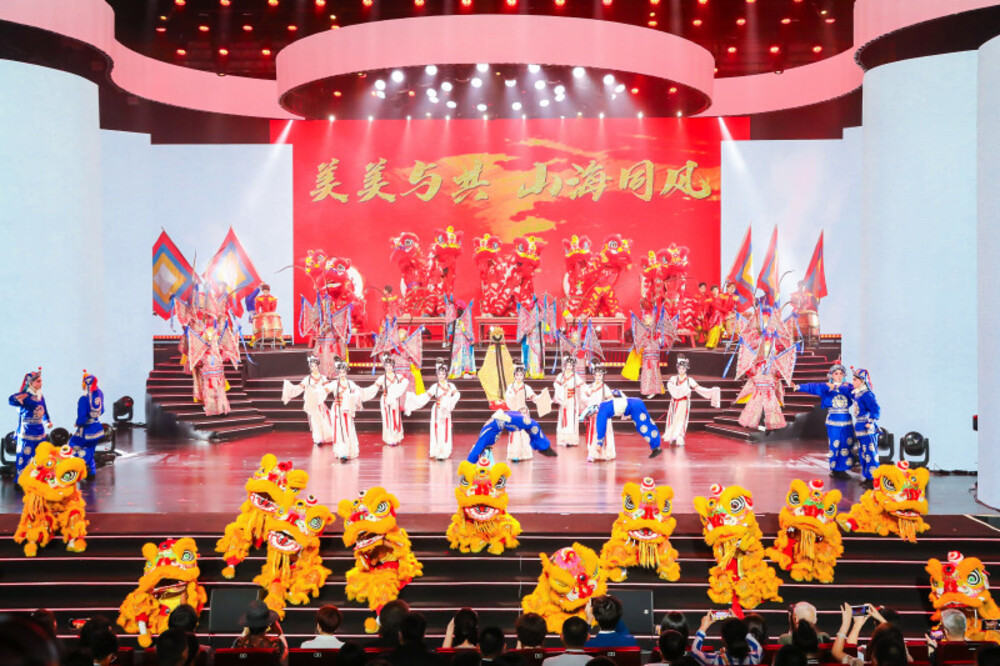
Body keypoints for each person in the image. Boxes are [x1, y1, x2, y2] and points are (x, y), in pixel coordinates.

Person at [792, 363, 855, 479]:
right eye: (836, 373)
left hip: (846, 420)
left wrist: (836, 387)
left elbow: (854, 393)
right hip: (833, 421)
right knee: (835, 445)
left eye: (841, 373)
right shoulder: (826, 387)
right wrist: (798, 387)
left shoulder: (848, 386)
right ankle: (835, 469)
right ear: (831, 375)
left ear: (844, 375)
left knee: (846, 444)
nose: (839, 376)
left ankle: (843, 469)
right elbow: (813, 387)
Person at [405, 359, 461, 460]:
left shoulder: (450, 386)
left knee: (446, 430)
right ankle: (437, 451)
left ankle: (445, 451)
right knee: (437, 429)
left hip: (446, 410)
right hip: (437, 410)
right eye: (439, 374)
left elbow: (457, 394)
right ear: (437, 375)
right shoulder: (435, 386)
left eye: (443, 374)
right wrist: (413, 399)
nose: (441, 376)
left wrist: (450, 401)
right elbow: (425, 397)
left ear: (446, 375)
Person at [663, 356, 720, 447]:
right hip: (675, 403)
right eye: (680, 368)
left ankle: (680, 437)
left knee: (682, 420)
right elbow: (671, 388)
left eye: (683, 368)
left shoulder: (689, 380)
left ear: (686, 369)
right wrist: (681, 391)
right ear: (677, 368)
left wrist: (711, 391)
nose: (681, 370)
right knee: (673, 418)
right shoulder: (673, 379)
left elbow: (699, 389)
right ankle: (672, 437)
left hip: (684, 403)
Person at [466, 409, 556, 463]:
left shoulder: (492, 427)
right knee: (482, 444)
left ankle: (544, 447)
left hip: (507, 419)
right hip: (506, 419)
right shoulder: (492, 428)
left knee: (482, 444)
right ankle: (543, 447)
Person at [281, 356, 334, 447]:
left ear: (318, 366)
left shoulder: (323, 378)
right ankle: (318, 438)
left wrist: (318, 391)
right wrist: (288, 386)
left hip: (320, 404)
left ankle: (325, 436)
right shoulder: (307, 379)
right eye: (312, 366)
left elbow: (328, 389)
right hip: (312, 404)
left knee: (323, 420)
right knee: (315, 421)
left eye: (315, 366)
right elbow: (298, 389)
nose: (314, 368)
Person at [592, 392, 663, 458]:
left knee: (643, 427)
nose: (593, 417)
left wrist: (599, 443)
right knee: (647, 424)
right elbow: (617, 393)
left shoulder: (601, 412)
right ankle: (656, 447)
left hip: (634, 407)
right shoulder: (604, 404)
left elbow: (601, 427)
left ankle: (656, 447)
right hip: (635, 402)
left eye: (593, 415)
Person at [9, 368, 52, 475]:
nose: (41, 383)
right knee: (24, 456)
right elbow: (11, 399)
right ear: (30, 383)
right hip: (27, 432)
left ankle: (40, 477)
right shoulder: (24, 396)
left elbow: (44, 409)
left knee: (42, 456)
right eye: (38, 381)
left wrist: (47, 421)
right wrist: (17, 400)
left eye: (41, 381)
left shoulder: (40, 396)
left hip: (40, 431)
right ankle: (21, 478)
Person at [362, 353, 408, 447]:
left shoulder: (398, 377)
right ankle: (389, 438)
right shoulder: (382, 378)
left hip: (395, 399)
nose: (389, 367)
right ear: (385, 367)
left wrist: (397, 392)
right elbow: (373, 388)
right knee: (387, 418)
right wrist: (362, 392)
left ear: (393, 366)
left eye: (390, 365)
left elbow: (406, 382)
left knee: (395, 417)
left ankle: (396, 436)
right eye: (387, 366)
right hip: (385, 399)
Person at [64, 370, 105, 476]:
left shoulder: (83, 399)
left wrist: (77, 423)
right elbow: (102, 410)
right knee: (90, 449)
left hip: (86, 429)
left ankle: (75, 467)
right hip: (97, 428)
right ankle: (91, 470)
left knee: (72, 445)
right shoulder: (100, 394)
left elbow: (82, 417)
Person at [690, 614, 763, 666]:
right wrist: (739, 626)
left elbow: (695, 651)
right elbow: (757, 647)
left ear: (722, 638)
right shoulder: (754, 658)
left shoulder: (714, 660)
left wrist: (703, 627)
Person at [504, 365, 541, 462]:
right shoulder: (510, 387)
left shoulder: (526, 388)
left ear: (523, 376)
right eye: (517, 375)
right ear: (514, 375)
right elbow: (507, 399)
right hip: (514, 413)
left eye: (521, 375)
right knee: (515, 433)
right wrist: (510, 396)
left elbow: (533, 397)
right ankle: (515, 454)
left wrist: (540, 398)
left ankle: (525, 454)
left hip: (523, 412)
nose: (519, 377)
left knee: (524, 433)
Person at [233, 600, 288, 665]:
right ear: (267, 625)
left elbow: (233, 659)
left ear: (248, 624)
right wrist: (280, 633)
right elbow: (285, 661)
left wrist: (244, 633)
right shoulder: (276, 643)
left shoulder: (239, 643)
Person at [851, 368, 881, 486]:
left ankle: (874, 479)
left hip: (867, 428)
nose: (853, 382)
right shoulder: (858, 393)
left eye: (855, 379)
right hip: (860, 427)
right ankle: (868, 477)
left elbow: (876, 408)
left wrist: (870, 421)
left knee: (870, 454)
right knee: (863, 454)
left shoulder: (867, 394)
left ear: (862, 381)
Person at [328, 358, 362, 462]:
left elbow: (358, 391)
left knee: (347, 429)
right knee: (339, 430)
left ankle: (348, 451)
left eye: (343, 372)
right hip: (337, 409)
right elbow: (324, 390)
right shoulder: (334, 384)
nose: (342, 374)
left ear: (346, 373)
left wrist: (353, 397)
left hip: (347, 409)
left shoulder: (350, 383)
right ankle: (342, 452)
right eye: (340, 372)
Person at [583, 364, 616, 462]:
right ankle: (592, 454)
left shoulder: (605, 387)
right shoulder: (590, 387)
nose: (598, 377)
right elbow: (584, 397)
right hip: (593, 413)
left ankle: (605, 453)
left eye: (600, 375)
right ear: (594, 376)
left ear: (602, 376)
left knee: (604, 432)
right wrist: (590, 409)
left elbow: (611, 399)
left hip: (602, 413)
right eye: (596, 375)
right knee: (593, 432)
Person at [553, 355, 585, 447]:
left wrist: (588, 390)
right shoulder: (561, 376)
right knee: (563, 418)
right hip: (564, 400)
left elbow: (582, 385)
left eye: (571, 365)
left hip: (572, 400)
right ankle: (563, 439)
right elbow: (555, 384)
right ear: (565, 365)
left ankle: (571, 439)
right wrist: (561, 388)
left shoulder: (575, 376)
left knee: (571, 418)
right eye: (567, 365)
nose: (569, 367)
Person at [449, 306, 477, 379]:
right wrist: (471, 339)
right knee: (464, 357)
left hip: (456, 342)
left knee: (456, 357)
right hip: (463, 342)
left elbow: (450, 332)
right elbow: (465, 332)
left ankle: (455, 372)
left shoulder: (455, 321)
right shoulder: (463, 322)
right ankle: (464, 372)